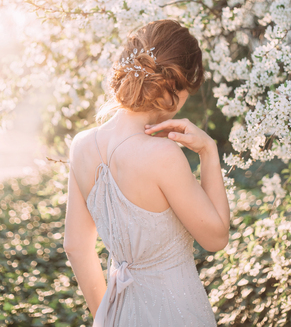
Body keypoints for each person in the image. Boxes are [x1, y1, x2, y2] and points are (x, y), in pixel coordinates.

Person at [64, 19, 230, 326]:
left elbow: (75, 246)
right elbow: (216, 236)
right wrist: (208, 152)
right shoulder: (163, 154)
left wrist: (106, 316)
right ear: (178, 88)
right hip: (178, 312)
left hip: (117, 314)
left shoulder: (81, 145)